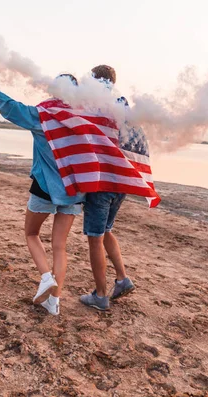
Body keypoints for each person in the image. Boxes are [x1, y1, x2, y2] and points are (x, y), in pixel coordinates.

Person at [0, 71, 84, 316]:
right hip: (74, 189)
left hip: (45, 187)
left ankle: (46, 277)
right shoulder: (84, 119)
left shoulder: (44, 116)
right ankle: (55, 302)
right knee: (60, 247)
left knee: (31, 234)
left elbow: (9, 105)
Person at [79, 65, 142, 311]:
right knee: (105, 230)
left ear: (95, 79)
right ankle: (122, 279)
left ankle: (101, 295)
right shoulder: (122, 105)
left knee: (95, 238)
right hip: (121, 181)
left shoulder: (95, 104)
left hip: (102, 181)